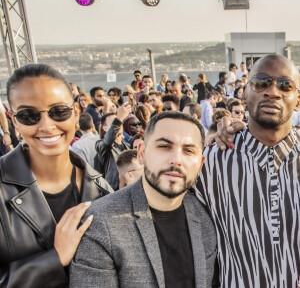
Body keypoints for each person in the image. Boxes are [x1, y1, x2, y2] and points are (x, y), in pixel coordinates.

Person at [70, 111, 218, 288]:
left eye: (188, 150)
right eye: (164, 146)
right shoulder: (101, 222)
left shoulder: (206, 215)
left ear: (200, 163)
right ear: (141, 153)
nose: (176, 160)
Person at [0, 64, 112, 288]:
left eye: (59, 111)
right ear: (15, 121)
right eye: (29, 115)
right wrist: (55, 259)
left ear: (76, 113)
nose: (47, 125)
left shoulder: (101, 189)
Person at [196, 54, 300, 287]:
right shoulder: (211, 162)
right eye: (261, 82)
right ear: (245, 92)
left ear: (298, 100)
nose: (272, 92)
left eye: (285, 85)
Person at [95, 104, 131, 191]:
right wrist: (118, 119)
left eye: (120, 122)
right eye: (113, 123)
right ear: (104, 128)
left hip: (130, 190)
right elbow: (107, 141)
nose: (119, 125)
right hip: (113, 192)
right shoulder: (101, 145)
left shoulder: (128, 146)